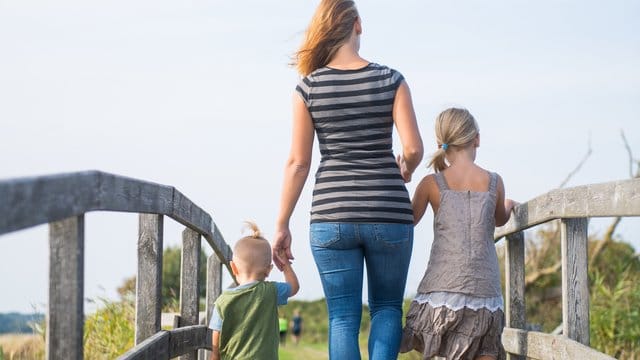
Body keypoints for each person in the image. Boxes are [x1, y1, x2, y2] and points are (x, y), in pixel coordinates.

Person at [272, 0, 424, 358]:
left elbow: (298, 162)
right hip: (388, 211)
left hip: (331, 215)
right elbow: (414, 148)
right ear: (358, 24)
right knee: (386, 308)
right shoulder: (391, 80)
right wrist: (406, 169)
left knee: (342, 317)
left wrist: (282, 223)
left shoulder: (308, 88)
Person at [400, 108, 517, 360]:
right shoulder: (495, 182)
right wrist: (507, 205)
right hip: (484, 290)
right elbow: (500, 220)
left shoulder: (431, 184)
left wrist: (403, 179)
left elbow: (405, 220)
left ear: (441, 142)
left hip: (442, 289)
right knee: (486, 351)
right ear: (476, 139)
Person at [209, 222, 299, 360]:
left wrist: (215, 356)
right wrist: (285, 264)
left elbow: (216, 340)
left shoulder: (223, 300)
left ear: (233, 268)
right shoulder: (272, 291)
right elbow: (293, 287)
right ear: (268, 270)